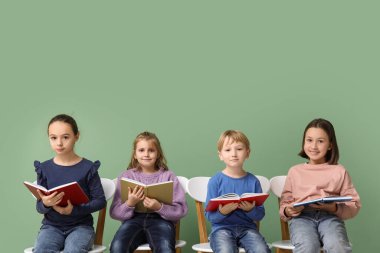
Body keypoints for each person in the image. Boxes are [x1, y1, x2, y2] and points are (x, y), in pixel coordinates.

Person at [280, 118, 361, 253]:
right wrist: (288, 211)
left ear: (330, 145)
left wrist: (334, 207)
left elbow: (354, 205)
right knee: (308, 246)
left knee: (338, 246)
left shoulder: (339, 171)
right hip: (302, 218)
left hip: (329, 217)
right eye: (309, 140)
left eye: (320, 141)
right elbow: (285, 204)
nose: (314, 146)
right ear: (303, 142)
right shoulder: (295, 171)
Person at [32, 114, 106, 253]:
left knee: (73, 250)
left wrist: (74, 210)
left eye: (65, 137)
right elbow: (39, 207)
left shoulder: (88, 168)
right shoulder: (44, 168)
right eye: (53, 137)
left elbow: (100, 201)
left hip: (81, 227)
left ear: (76, 136)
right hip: (51, 227)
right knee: (42, 250)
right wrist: (46, 203)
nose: (59, 143)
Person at [109, 131, 188, 253]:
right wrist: (130, 203)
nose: (146, 154)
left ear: (158, 154)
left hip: (161, 221)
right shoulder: (126, 176)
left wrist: (159, 207)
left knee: (165, 248)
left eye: (151, 150)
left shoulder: (168, 176)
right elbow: (114, 212)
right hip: (132, 220)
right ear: (134, 154)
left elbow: (181, 210)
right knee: (117, 246)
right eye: (141, 150)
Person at [205, 130, 270, 253]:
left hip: (248, 229)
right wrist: (222, 212)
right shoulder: (215, 181)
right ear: (220, 155)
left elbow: (260, 214)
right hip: (221, 229)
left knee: (262, 250)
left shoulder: (253, 181)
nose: (234, 154)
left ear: (247, 153)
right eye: (228, 150)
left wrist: (250, 210)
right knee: (225, 250)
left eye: (239, 149)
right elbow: (209, 216)